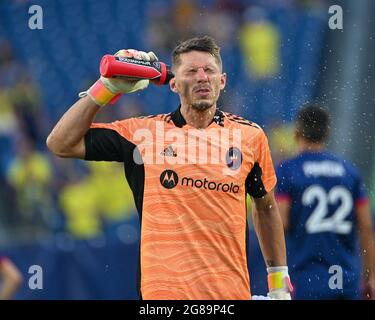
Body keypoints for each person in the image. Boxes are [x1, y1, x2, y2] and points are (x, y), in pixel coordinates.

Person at [46, 36, 292, 300]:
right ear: (173, 83)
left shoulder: (250, 137)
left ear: (222, 81)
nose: (201, 77)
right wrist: (106, 87)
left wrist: (278, 283)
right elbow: (60, 143)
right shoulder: (143, 134)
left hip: (229, 296)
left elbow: (266, 207)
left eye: (209, 70)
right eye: (190, 71)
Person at [275, 104, 375, 300]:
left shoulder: (288, 171)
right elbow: (365, 226)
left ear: (296, 132)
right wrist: (370, 277)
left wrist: (277, 279)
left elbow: (280, 223)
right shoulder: (350, 172)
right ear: (327, 132)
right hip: (345, 279)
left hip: (305, 279)